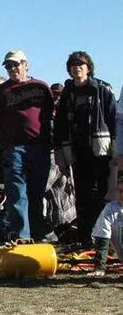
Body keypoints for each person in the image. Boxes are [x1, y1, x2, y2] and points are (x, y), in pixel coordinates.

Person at [53, 51, 117, 246]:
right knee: (81, 197)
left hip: (101, 153)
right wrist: (61, 156)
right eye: (73, 64)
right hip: (78, 153)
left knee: (102, 196)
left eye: (81, 64)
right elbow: (60, 124)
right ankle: (85, 240)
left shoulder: (102, 89)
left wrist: (116, 149)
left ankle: (103, 241)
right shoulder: (68, 92)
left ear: (89, 68)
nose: (77, 67)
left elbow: (113, 119)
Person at [0, 50, 54, 241]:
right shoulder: (1, 91)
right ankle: (22, 236)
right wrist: (5, 142)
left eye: (16, 65)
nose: (12, 69)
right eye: (8, 66)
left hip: (39, 146)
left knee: (37, 192)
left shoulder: (41, 87)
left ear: (25, 64)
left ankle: (38, 233)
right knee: (17, 191)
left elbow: (50, 114)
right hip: (14, 147)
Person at [87, 172, 123, 277]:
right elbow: (102, 238)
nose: (122, 195)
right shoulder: (110, 209)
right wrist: (100, 267)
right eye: (120, 191)